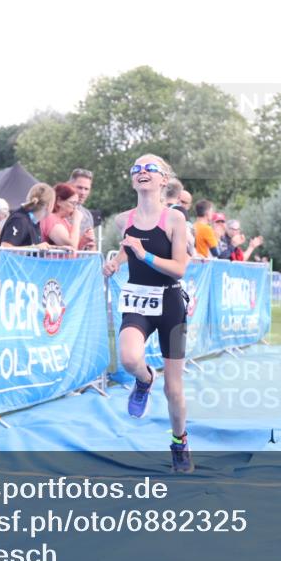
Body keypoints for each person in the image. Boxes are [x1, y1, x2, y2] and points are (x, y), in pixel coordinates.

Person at [102, 154, 193, 473]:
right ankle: (143, 380)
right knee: (128, 358)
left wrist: (145, 255)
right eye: (136, 169)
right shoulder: (122, 220)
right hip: (137, 300)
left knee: (174, 389)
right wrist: (117, 261)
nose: (142, 173)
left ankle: (179, 441)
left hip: (170, 304)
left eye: (150, 169)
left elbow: (179, 268)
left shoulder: (175, 220)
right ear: (132, 179)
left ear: (163, 180)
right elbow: (128, 247)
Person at [0, 183, 54, 249]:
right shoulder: (19, 220)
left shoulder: (34, 222)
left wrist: (58, 248)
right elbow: (5, 248)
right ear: (49, 205)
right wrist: (34, 248)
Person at [40, 183, 82, 248]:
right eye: (72, 203)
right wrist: (76, 221)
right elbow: (71, 246)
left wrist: (84, 241)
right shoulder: (50, 219)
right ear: (59, 201)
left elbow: (75, 246)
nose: (75, 207)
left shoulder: (64, 220)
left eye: (76, 204)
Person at [68, 168, 96, 250]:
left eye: (86, 189)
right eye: (79, 188)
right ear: (70, 186)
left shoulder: (87, 214)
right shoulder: (58, 210)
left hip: (82, 261)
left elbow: (92, 246)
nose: (83, 193)